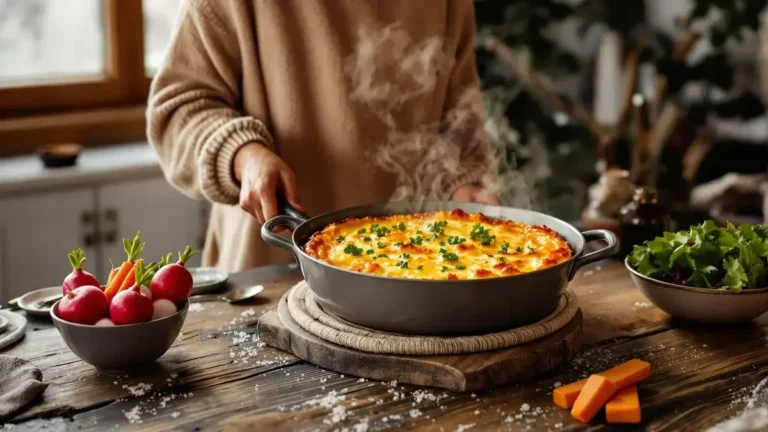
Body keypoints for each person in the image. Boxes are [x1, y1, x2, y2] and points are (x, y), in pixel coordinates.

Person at [148, 0, 499, 272]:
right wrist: (243, 154)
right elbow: (178, 111)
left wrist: (464, 185)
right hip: (271, 272)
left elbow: (460, 120)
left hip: (419, 275)